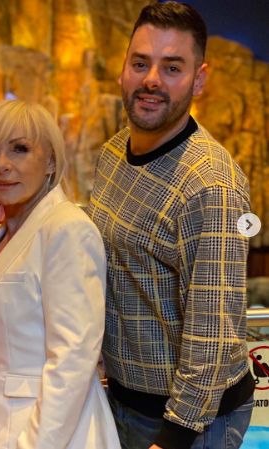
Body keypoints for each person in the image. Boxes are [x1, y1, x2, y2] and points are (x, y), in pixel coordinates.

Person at [86, 3, 255, 449]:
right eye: (141, 63)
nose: (152, 80)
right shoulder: (113, 151)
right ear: (123, 69)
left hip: (188, 423)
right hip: (122, 400)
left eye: (172, 67)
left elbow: (212, 334)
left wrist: (174, 437)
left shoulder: (211, 186)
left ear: (199, 79)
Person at [0, 99, 121, 449]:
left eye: (19, 149)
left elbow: (72, 360)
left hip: (46, 436)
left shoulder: (67, 228)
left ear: (50, 160)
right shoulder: (8, 232)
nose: (3, 165)